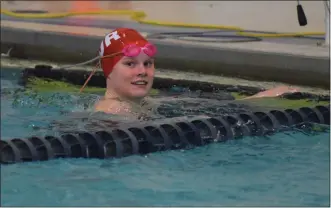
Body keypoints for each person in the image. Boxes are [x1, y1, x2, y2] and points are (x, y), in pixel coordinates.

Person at [80, 28, 299, 115]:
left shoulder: (141, 105)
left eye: (148, 64)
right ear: (107, 70)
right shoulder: (115, 112)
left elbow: (206, 108)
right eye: (130, 64)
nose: (142, 72)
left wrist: (257, 99)